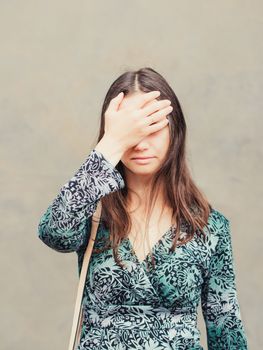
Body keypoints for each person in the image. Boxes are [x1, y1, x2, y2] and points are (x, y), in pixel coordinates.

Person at [37, 67, 248, 349]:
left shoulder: (209, 227)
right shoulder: (94, 213)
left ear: (175, 131)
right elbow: (54, 232)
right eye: (130, 131)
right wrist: (111, 145)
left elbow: (227, 331)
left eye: (153, 127)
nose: (140, 143)